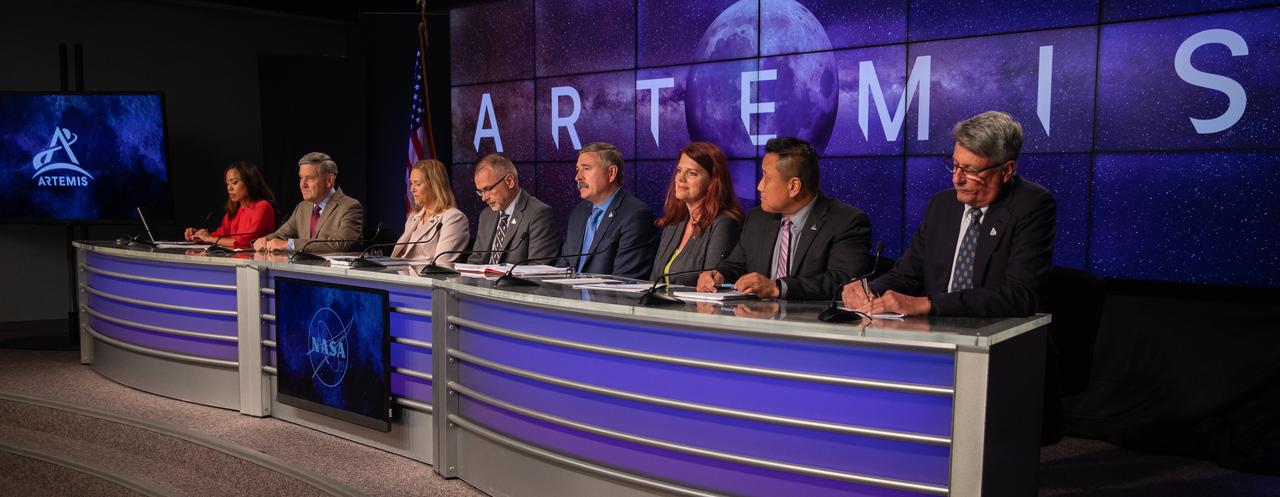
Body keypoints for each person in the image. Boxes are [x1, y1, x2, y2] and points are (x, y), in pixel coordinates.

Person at [842, 111, 1056, 317]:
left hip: (997, 334)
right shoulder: (942, 205)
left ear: (1006, 171)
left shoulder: (1031, 204)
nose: (957, 179)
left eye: (971, 171)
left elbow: (1020, 295)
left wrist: (928, 304)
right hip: (934, 332)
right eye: (955, 165)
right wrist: (869, 291)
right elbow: (906, 275)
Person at [698, 137, 872, 300]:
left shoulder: (846, 222)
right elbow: (736, 265)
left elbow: (844, 281)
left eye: (766, 178)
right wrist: (718, 275)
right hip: (755, 318)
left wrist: (778, 288)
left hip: (811, 320)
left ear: (794, 186)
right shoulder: (758, 218)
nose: (759, 186)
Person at [558, 142, 658, 279]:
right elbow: (563, 267)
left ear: (611, 173)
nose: (578, 177)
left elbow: (624, 280)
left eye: (586, 168)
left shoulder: (636, 216)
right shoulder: (578, 213)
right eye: (578, 169)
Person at [649, 142, 743, 286]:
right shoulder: (675, 222)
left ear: (712, 181)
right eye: (679, 170)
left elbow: (711, 285)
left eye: (692, 173)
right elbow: (654, 280)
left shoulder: (724, 224)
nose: (680, 178)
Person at [253, 152, 363, 253]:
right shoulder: (302, 207)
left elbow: (339, 244)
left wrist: (290, 245)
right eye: (301, 178)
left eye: (310, 178)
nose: (303, 185)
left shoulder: (350, 207)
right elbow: (281, 235)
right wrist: (265, 240)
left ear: (329, 180)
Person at [467, 154, 559, 264]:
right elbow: (475, 261)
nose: (484, 198)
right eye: (480, 192)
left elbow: (538, 268)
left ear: (509, 181)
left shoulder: (539, 214)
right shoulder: (486, 215)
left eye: (488, 189)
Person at [184, 161, 276, 249]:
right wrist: (199, 236)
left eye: (234, 183)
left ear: (249, 182)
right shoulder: (233, 212)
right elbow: (219, 236)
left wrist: (209, 238)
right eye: (227, 184)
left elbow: (246, 242)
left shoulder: (263, 207)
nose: (229, 188)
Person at [392, 159, 469, 261]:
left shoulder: (454, 218)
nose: (412, 189)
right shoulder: (413, 217)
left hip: (427, 272)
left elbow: (441, 262)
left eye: (418, 184)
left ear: (434, 185)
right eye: (411, 183)